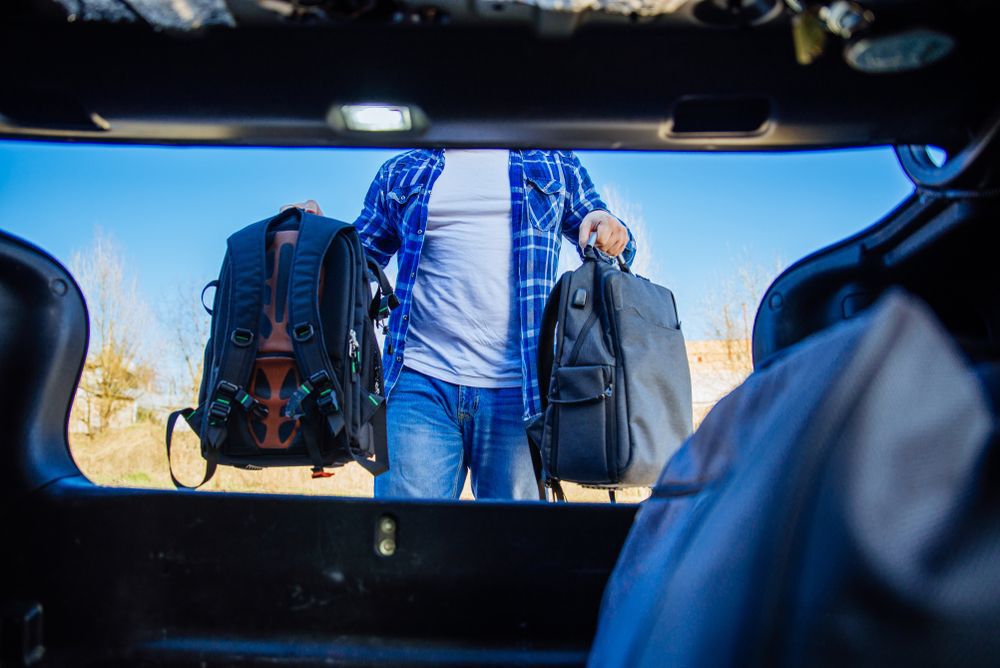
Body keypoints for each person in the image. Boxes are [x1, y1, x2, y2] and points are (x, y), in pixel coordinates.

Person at [284, 149, 634, 500]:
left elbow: (616, 242)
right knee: (408, 540)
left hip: (520, 393)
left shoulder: (553, 161)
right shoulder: (403, 169)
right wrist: (314, 236)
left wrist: (609, 228)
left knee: (517, 548)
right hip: (418, 384)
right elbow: (356, 263)